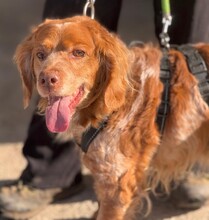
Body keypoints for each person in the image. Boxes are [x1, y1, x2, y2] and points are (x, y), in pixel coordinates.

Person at [1, 0, 209, 219]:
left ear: (106, 63)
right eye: (41, 56)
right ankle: (50, 174)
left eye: (78, 53)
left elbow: (118, 190)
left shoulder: (118, 110)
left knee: (114, 188)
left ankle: (189, 172)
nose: (49, 73)